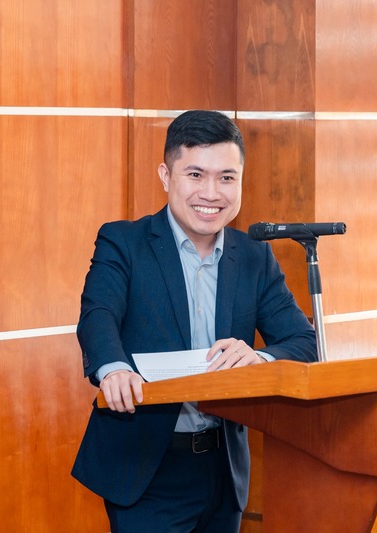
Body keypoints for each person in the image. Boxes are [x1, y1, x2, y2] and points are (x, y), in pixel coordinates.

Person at [72, 110, 318, 532]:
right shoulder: (124, 241)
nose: (211, 192)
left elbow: (304, 342)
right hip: (147, 468)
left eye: (227, 177)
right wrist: (113, 369)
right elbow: (98, 315)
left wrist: (258, 358)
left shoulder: (254, 256)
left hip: (223, 469)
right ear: (166, 176)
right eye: (196, 175)